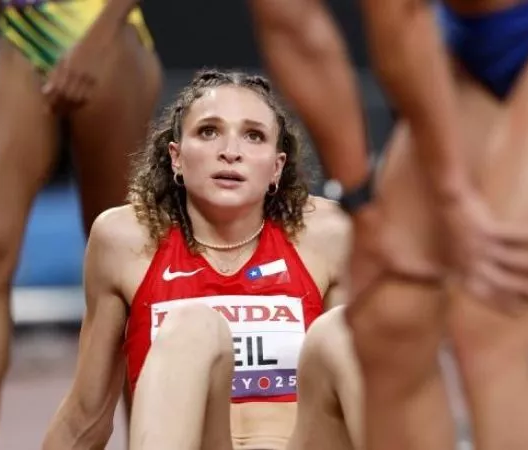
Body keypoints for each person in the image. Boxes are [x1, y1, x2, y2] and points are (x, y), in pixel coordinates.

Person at [247, 0, 528, 449]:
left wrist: (453, 196)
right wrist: (362, 208)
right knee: (389, 315)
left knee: (491, 311)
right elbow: (292, 26)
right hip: (476, 38)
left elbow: (401, 14)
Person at [42, 69, 365, 450]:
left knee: (344, 331)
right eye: (209, 131)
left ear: (276, 167)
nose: (231, 151)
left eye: (253, 135)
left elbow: (354, 381)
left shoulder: (325, 234)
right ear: (176, 157)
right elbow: (86, 417)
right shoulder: (126, 241)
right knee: (192, 327)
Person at [0, 0, 162, 448]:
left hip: (105, 35)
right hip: (21, 35)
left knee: (127, 265)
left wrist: (98, 40)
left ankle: (149, 440)